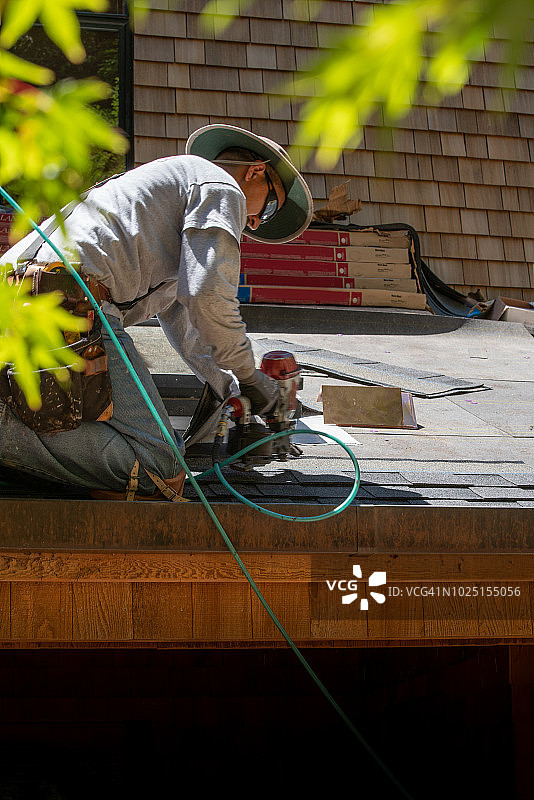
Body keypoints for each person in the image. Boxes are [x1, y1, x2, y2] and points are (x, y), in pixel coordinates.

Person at [0, 124, 313, 499]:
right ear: (256, 171)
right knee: (158, 468)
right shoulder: (221, 186)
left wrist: (234, 389)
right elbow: (208, 296)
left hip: (24, 295)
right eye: (271, 205)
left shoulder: (172, 197)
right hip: (65, 297)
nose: (257, 221)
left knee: (80, 421)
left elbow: (191, 323)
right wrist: (251, 375)